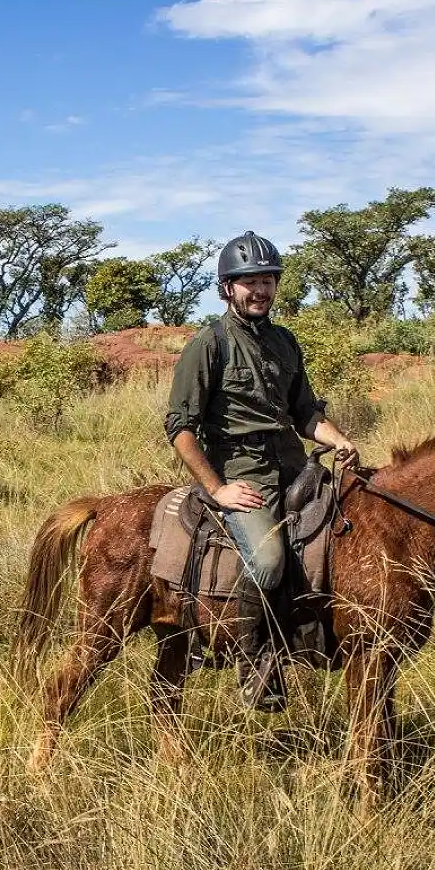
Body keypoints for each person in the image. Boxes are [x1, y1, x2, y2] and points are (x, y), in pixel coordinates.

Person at [164, 231, 360, 712]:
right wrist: (218, 489)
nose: (260, 290)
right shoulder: (207, 345)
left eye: (267, 280)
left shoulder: (285, 341)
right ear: (227, 288)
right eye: (248, 281)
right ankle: (253, 665)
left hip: (295, 467)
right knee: (269, 559)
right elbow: (181, 429)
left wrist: (336, 438)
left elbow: (304, 413)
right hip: (242, 473)